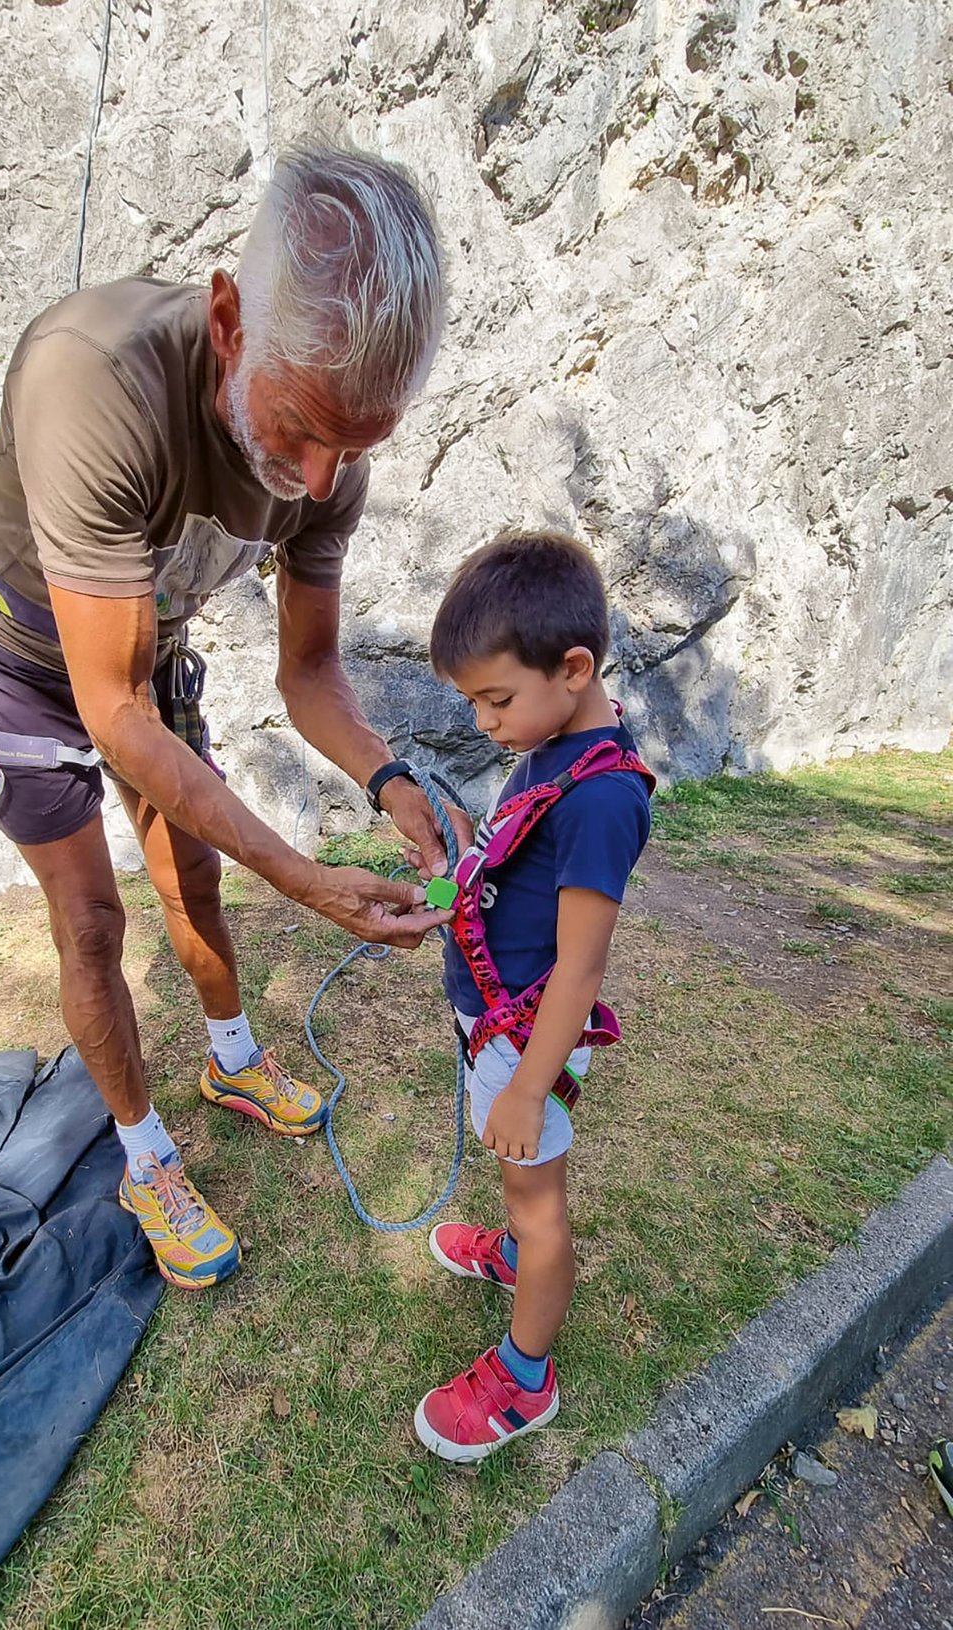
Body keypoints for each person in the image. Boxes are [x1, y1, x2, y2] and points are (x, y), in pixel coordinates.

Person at [0, 142, 467, 1292]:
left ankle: (231, 1059)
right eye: (299, 432)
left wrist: (394, 783)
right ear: (228, 321)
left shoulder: (332, 448)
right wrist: (304, 874)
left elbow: (311, 673)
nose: (321, 479)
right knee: (91, 922)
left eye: (357, 447)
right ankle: (143, 1159)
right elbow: (110, 706)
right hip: (31, 663)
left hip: (149, 654)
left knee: (193, 880)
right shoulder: (94, 378)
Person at [410, 530, 654, 1463]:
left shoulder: (602, 799)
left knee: (539, 1203)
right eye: (474, 702)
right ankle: (511, 1256)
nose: (483, 723)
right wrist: (451, 878)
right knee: (522, 1188)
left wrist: (524, 1087)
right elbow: (514, 867)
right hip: (500, 1030)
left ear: (574, 667)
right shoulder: (552, 745)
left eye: (495, 699)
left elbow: (581, 969)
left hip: (527, 1045)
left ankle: (526, 1376)